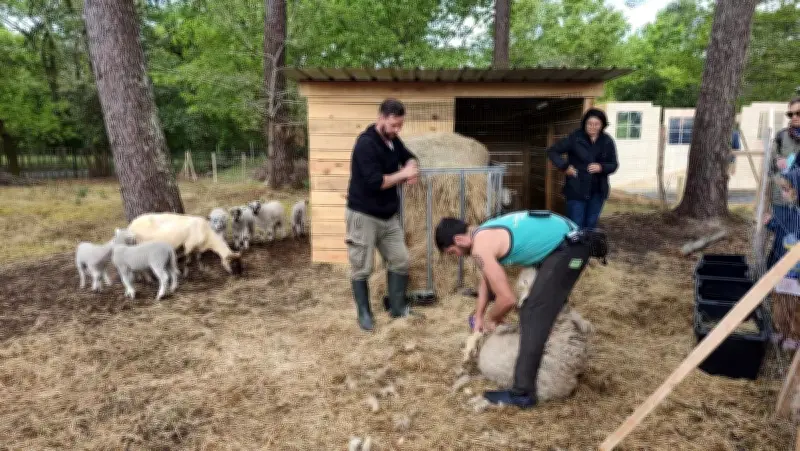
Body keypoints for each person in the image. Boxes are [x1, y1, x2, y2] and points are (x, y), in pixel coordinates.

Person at [434, 210, 596, 408]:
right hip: (568, 241)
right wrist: (478, 315)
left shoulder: (479, 248)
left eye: (453, 252)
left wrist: (491, 319)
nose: (458, 256)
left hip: (570, 247)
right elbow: (486, 281)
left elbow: (507, 299)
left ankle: (522, 393)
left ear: (459, 239)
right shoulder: (483, 232)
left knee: (532, 312)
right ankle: (549, 355)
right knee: (541, 304)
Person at [346, 98, 419, 331]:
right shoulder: (365, 144)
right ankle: (364, 313)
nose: (397, 130)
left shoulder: (393, 141)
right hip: (364, 215)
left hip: (389, 216)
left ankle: (397, 308)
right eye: (394, 125)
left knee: (400, 260)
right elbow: (375, 182)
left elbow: (409, 156)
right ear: (381, 118)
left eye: (400, 126)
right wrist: (403, 174)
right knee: (362, 266)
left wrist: (412, 168)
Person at [547, 108, 618, 230]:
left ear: (602, 125)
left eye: (596, 124)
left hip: (598, 191)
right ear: (584, 123)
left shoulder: (607, 141)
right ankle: (574, 249)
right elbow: (552, 151)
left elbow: (614, 164)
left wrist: (601, 167)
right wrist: (565, 167)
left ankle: (588, 249)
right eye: (589, 124)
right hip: (576, 189)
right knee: (575, 225)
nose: (592, 127)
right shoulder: (575, 138)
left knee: (590, 225)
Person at [766, 98, 800, 268]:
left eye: (798, 113)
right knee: (781, 238)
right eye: (790, 113)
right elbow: (770, 167)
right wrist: (778, 160)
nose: (794, 117)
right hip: (782, 198)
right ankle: (773, 278)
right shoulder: (781, 136)